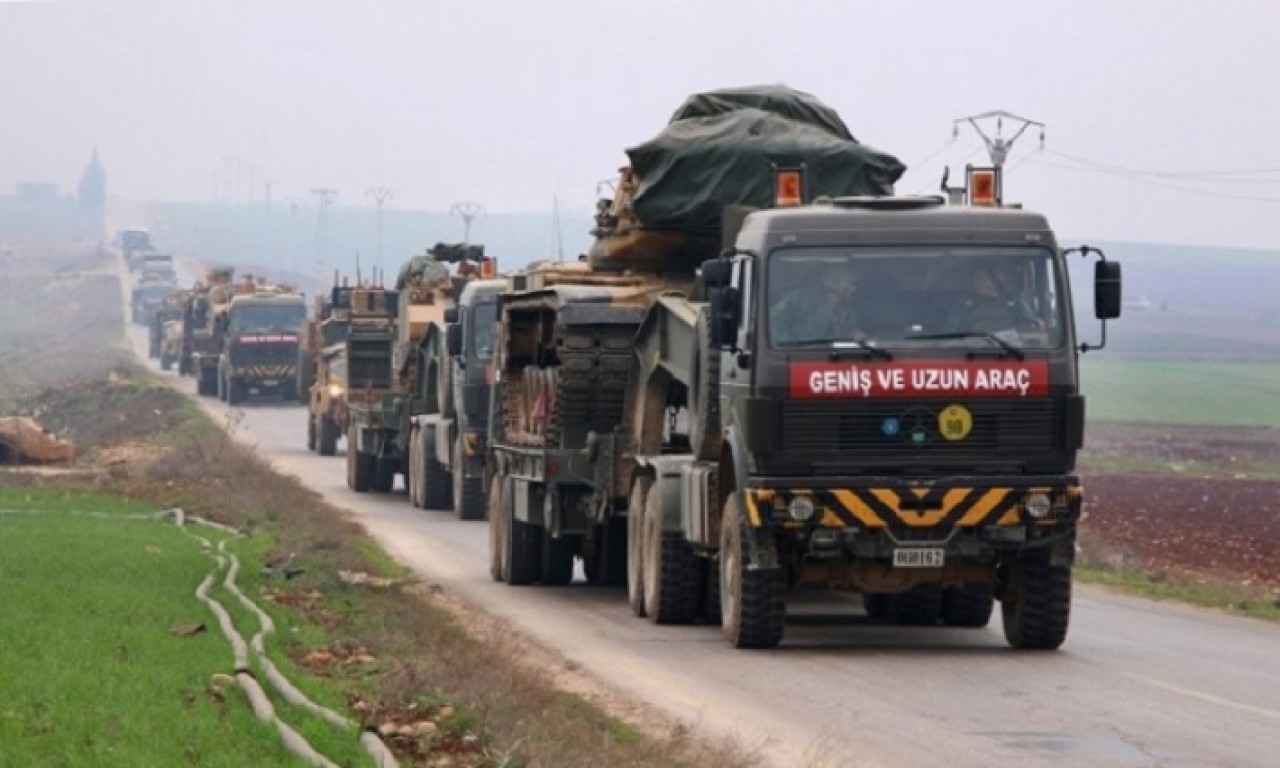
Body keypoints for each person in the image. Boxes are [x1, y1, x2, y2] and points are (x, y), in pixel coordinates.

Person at [771, 260, 865, 345]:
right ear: (837, 281)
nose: (854, 289)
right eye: (852, 283)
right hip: (798, 357)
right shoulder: (800, 299)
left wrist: (854, 335)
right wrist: (789, 346)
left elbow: (846, 338)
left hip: (830, 359)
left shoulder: (848, 312)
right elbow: (773, 322)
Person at [944, 263, 1038, 333]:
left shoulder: (1014, 302)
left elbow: (1029, 324)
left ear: (994, 279)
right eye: (975, 279)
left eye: (980, 278)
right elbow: (950, 331)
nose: (976, 283)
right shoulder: (965, 305)